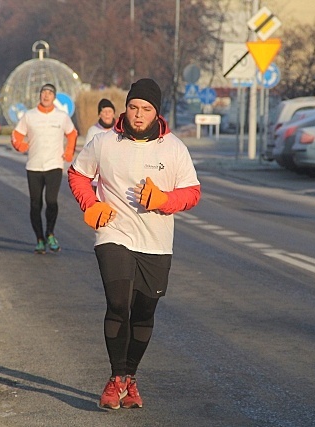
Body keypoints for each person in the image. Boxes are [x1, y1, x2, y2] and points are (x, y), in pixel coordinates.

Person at [67, 78, 201, 409]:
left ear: (156, 113)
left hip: (156, 241)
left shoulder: (174, 149)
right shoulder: (103, 142)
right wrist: (91, 204)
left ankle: (130, 378)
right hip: (115, 233)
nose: (138, 115)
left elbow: (192, 192)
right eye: (133, 107)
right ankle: (115, 379)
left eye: (146, 109)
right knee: (117, 303)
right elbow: (78, 174)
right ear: (125, 108)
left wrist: (164, 199)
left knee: (143, 313)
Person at [11, 83, 78, 254]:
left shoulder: (61, 116)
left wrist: (69, 151)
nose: (46, 96)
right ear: (39, 96)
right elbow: (17, 134)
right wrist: (19, 145)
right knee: (35, 204)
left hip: (54, 165)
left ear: (54, 97)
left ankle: (50, 233)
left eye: (49, 93)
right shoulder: (29, 116)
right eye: (43, 93)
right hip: (33, 166)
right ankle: (39, 239)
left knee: (51, 201)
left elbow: (72, 133)